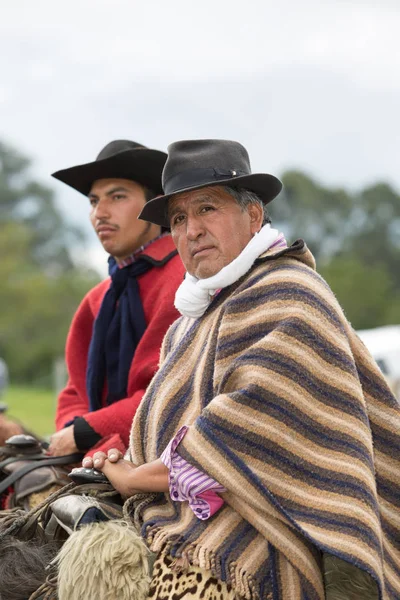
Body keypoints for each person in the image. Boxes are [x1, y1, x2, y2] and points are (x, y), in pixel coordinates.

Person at [82, 139, 400, 600]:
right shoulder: (190, 323)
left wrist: (134, 478)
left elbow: (244, 432)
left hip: (277, 529)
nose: (191, 230)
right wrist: (118, 463)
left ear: (253, 218)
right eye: (178, 219)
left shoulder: (291, 294)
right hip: (184, 512)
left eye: (207, 209)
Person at [46, 140, 184, 457]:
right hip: (97, 453)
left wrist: (86, 433)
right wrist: (74, 432)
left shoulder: (184, 281)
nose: (100, 213)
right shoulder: (97, 298)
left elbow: (168, 390)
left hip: (162, 458)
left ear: (156, 206)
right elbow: (73, 392)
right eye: (94, 201)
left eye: (117, 197)